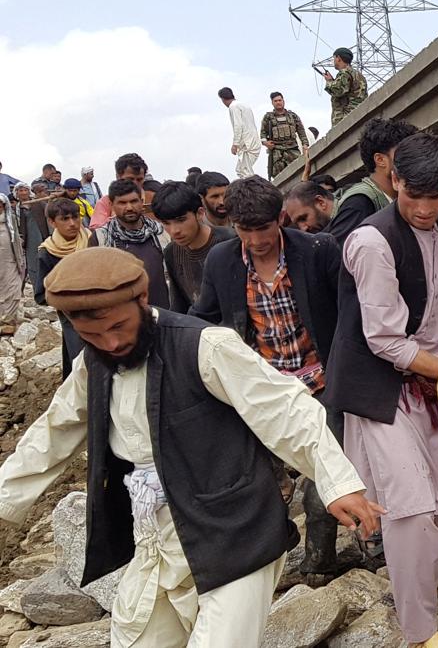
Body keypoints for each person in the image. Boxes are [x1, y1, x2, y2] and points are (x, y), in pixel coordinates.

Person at [0, 246, 381, 647]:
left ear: (143, 301)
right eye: (92, 336)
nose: (110, 343)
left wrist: (337, 482)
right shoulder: (93, 365)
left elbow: (286, 410)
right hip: (158, 536)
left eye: (118, 327)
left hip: (234, 532)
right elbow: (51, 434)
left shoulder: (205, 346)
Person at [326, 132, 438, 648]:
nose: (424, 209)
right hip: (384, 387)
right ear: (393, 181)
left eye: (435, 196)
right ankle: (421, 629)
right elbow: (384, 341)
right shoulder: (370, 241)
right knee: (411, 507)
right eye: (411, 196)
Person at [191, 175, 345, 580]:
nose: (256, 240)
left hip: (322, 383)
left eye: (263, 228)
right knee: (260, 483)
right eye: (246, 230)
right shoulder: (222, 261)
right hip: (263, 388)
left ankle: (319, 567)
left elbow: (349, 314)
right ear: (233, 225)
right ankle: (271, 560)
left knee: (322, 479)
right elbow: (204, 320)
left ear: (280, 219)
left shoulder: (318, 251)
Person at [322, 118, 417, 244]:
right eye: (404, 154)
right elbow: (338, 257)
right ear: (380, 160)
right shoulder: (360, 203)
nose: (413, 160)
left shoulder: (396, 197)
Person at [151, 182, 236, 314]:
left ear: (200, 213)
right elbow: (179, 304)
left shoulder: (230, 241)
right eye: (166, 223)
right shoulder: (171, 252)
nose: (174, 230)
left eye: (181, 220)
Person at [91, 179, 171, 310]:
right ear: (111, 205)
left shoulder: (162, 232)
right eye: (122, 203)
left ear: (142, 201)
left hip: (164, 312)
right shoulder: (101, 238)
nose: (129, 207)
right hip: (121, 314)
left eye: (134, 201)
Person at [33, 198, 89, 378]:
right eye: (64, 219)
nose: (72, 224)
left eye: (75, 217)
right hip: (71, 315)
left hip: (100, 307)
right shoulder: (48, 252)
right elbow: (41, 294)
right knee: (80, 358)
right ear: (52, 222)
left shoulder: (92, 240)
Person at [261, 92, 310, 179]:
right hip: (277, 150)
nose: (278, 102)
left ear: (283, 101)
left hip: (292, 149)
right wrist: (266, 143)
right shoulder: (268, 117)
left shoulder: (293, 116)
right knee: (278, 175)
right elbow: (263, 134)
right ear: (272, 103)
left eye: (280, 100)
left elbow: (301, 132)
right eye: (275, 101)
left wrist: (305, 144)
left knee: (299, 171)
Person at [219, 87, 263, 179]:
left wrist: (235, 144)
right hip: (252, 140)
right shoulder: (243, 105)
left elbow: (238, 126)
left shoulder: (233, 106)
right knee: (241, 170)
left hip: (247, 144)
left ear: (222, 99)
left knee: (244, 172)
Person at [323, 48, 368, 126]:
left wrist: (329, 81)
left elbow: (337, 91)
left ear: (339, 58)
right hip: (359, 115)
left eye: (334, 58)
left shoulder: (345, 73)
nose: (333, 61)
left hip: (346, 119)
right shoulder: (358, 75)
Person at [0, 192, 24, 335]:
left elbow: (16, 243)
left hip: (10, 262)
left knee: (12, 288)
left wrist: (19, 260)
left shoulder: (10, 221)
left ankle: (8, 321)